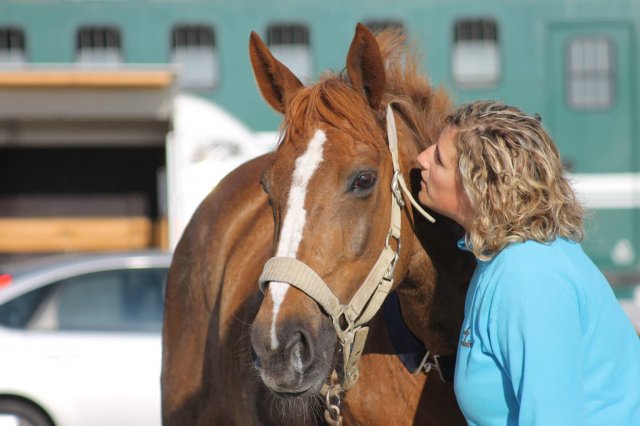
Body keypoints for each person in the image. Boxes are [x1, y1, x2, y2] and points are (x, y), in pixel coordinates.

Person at [416, 100, 640, 425]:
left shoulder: (527, 277)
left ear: (478, 187)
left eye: (438, 159)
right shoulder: (504, 257)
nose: (422, 158)